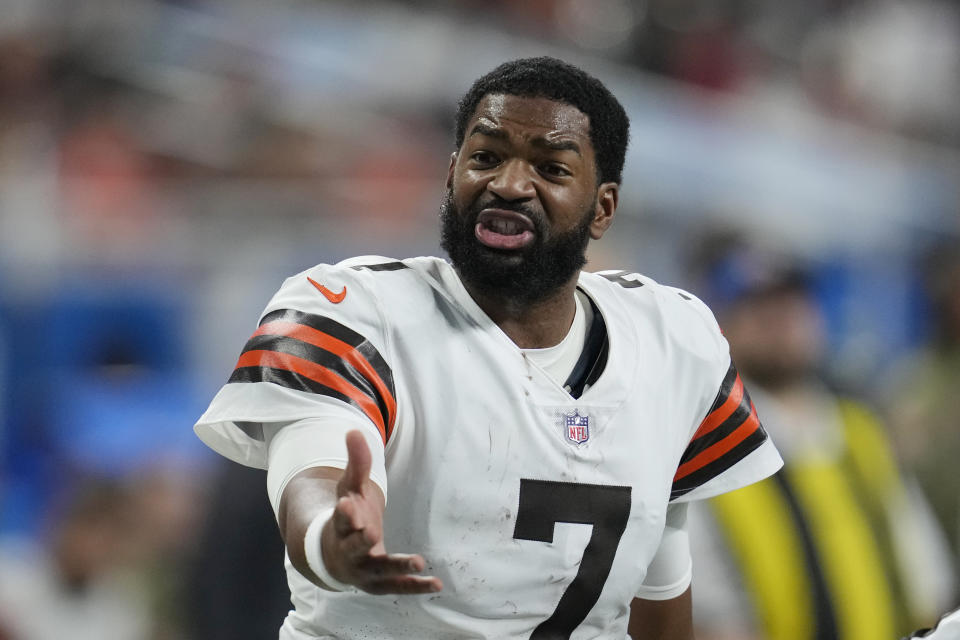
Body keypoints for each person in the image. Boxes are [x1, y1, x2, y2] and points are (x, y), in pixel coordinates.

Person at [193, 57, 783, 640]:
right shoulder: (355, 309)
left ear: (602, 208)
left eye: (551, 168)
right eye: (486, 157)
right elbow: (313, 473)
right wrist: (330, 538)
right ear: (452, 173)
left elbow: (660, 576)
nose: (508, 185)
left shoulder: (672, 339)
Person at [686, 249, 956, 640]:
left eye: (794, 301)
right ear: (723, 325)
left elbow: (924, 575)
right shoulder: (706, 446)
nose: (781, 319)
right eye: (759, 306)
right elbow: (708, 612)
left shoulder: (862, 431)